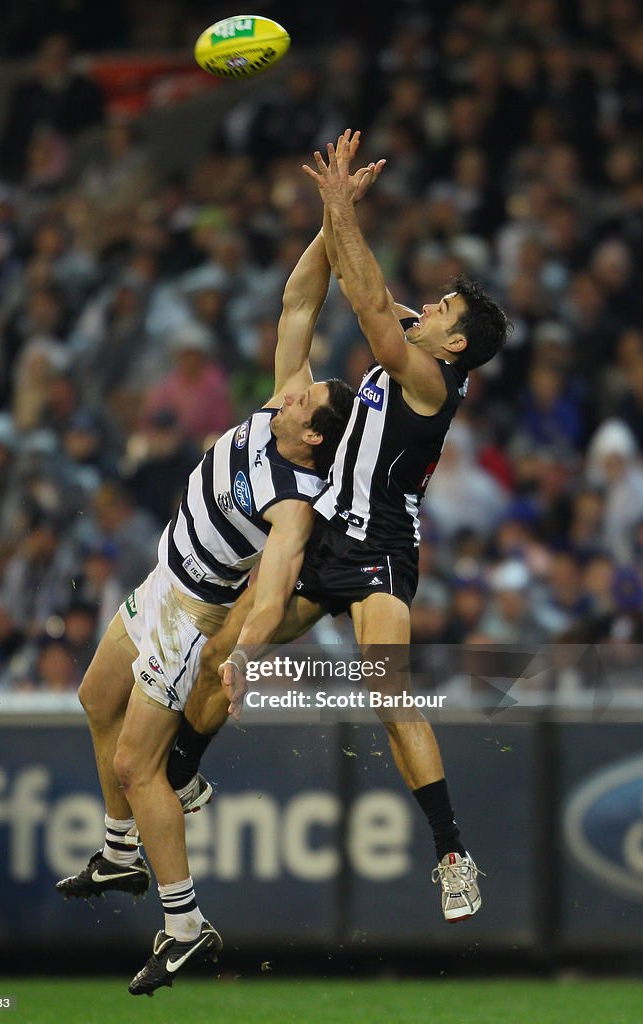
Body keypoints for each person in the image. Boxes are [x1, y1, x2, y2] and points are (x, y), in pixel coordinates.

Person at [56, 138, 376, 996]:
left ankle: (184, 925)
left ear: (315, 434)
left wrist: (242, 653)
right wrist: (334, 214)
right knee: (92, 698)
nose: (297, 385)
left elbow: (271, 586)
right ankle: (124, 851)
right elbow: (300, 299)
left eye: (309, 398)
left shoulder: (293, 494)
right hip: (159, 580)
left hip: (189, 615)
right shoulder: (282, 407)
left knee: (138, 768)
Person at [211, 130, 510, 922]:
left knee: (387, 690)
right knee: (226, 648)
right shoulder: (416, 348)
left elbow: (371, 306)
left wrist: (340, 204)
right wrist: (333, 215)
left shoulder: (427, 377)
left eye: (442, 309)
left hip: (378, 547)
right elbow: (343, 285)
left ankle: (451, 853)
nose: (429, 306)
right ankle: (183, 768)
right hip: (324, 537)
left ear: (453, 346)